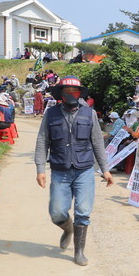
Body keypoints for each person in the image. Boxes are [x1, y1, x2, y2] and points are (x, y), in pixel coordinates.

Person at [34, 76, 114, 266]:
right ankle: (68, 229)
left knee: (83, 211)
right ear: (61, 93)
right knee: (57, 212)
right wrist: (40, 168)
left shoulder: (90, 114)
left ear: (80, 94)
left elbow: (97, 143)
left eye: (75, 92)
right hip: (60, 170)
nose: (71, 95)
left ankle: (79, 251)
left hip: (84, 170)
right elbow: (42, 141)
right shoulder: (51, 114)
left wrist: (105, 169)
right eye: (67, 91)